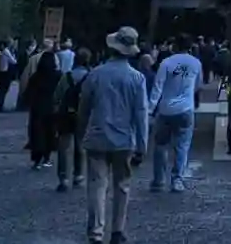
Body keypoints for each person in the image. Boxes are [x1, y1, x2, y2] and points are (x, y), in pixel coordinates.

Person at [79, 27, 150, 244]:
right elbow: (141, 114)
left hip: (97, 136)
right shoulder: (137, 78)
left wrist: (81, 133)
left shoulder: (96, 74)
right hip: (124, 140)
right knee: (122, 186)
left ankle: (96, 232)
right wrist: (142, 145)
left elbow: (84, 108)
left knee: (97, 185)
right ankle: (117, 230)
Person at [148, 37, 202, 193]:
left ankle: (159, 180)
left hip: (166, 109)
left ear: (175, 46)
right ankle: (177, 179)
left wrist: (150, 109)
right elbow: (198, 84)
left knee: (160, 145)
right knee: (182, 146)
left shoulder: (166, 63)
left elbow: (158, 86)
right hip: (185, 108)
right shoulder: (196, 63)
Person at [54, 47, 94, 192]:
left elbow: (57, 96)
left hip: (66, 115)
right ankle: (79, 175)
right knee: (80, 145)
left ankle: (63, 177)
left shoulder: (66, 76)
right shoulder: (91, 77)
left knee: (64, 146)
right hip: (83, 115)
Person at [26, 47, 62, 169]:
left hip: (38, 108)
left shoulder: (36, 77)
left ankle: (37, 159)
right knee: (50, 132)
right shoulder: (58, 76)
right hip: (53, 108)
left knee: (37, 133)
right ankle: (47, 157)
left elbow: (28, 93)